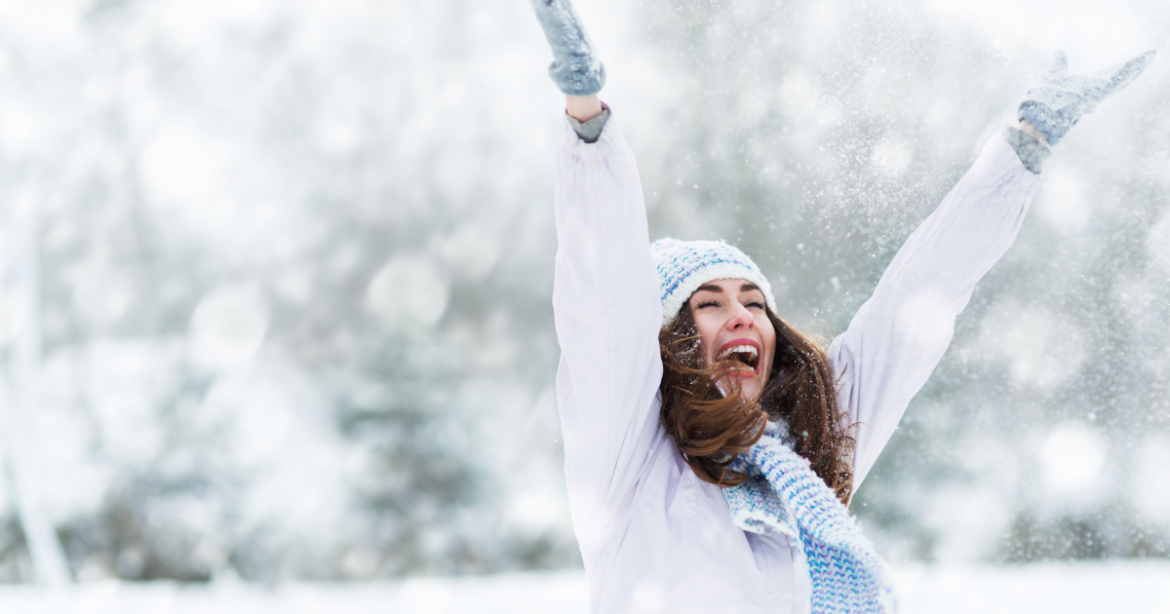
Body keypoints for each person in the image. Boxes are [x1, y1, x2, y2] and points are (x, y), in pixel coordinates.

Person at [526, 1, 1157, 612]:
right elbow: (604, 309)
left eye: (753, 301)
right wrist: (590, 129)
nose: (744, 315)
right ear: (667, 341)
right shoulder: (628, 460)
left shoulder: (815, 449)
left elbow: (914, 307)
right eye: (709, 304)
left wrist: (1024, 148)